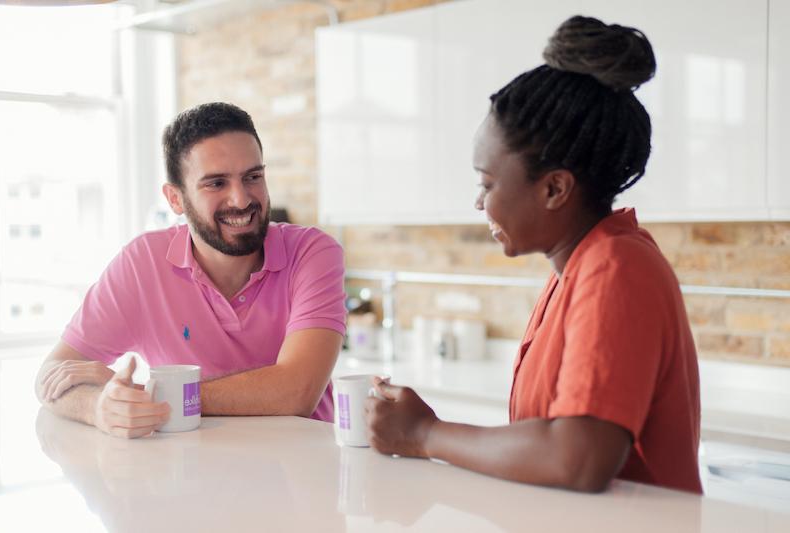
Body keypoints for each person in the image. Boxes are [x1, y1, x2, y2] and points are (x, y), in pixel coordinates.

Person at [365, 16, 702, 494]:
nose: (478, 202)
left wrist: (425, 434)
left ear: (554, 188)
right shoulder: (576, 269)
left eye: (487, 183)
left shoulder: (615, 268)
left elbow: (578, 458)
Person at [35, 102, 346, 438]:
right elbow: (51, 374)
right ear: (175, 199)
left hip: (301, 474)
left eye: (252, 177)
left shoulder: (313, 253)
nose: (241, 199)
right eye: (216, 184)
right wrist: (98, 407)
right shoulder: (142, 264)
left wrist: (152, 394)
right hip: (184, 479)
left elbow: (296, 392)